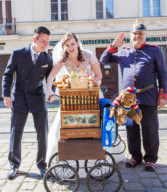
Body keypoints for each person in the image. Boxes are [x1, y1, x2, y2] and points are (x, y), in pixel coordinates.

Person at [46, 32, 125, 164]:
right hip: (72, 97)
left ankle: (97, 156)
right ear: (64, 46)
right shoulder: (63, 59)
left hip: (91, 94)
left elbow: (99, 76)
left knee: (94, 125)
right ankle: (68, 156)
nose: (70, 47)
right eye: (67, 45)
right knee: (67, 125)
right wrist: (49, 90)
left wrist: (89, 82)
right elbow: (51, 77)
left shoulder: (88, 55)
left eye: (72, 44)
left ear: (77, 43)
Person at [100, 21, 167, 172]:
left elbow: (162, 74)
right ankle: (135, 157)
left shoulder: (155, 51)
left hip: (148, 97)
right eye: (135, 34)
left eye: (140, 34)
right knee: (131, 129)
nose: (137, 36)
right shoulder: (123, 51)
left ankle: (150, 159)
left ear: (145, 35)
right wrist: (113, 46)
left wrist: (163, 95)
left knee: (150, 129)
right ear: (131, 36)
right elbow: (104, 60)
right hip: (127, 101)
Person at [2, 26, 53, 180]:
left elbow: (51, 79)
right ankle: (14, 165)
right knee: (16, 133)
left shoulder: (47, 59)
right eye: (43, 42)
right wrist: (6, 95)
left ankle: (42, 165)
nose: (46, 45)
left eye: (47, 42)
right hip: (19, 98)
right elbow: (8, 74)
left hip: (37, 98)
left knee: (42, 134)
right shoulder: (18, 54)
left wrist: (51, 92)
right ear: (35, 39)